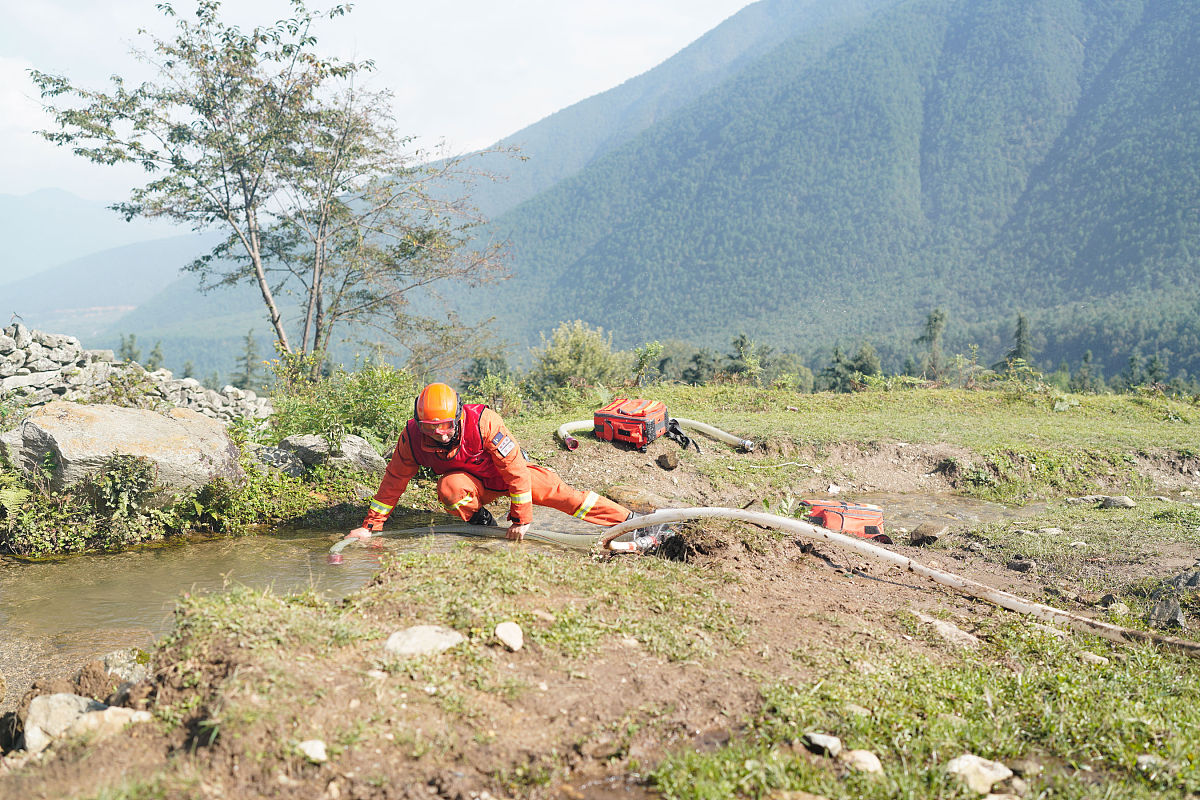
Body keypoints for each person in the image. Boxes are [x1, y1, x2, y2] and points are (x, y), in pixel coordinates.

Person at [344, 382, 635, 542]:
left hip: (508, 478)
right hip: (472, 486)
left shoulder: (484, 422)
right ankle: (484, 527)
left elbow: (516, 470)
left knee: (566, 497)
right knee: (449, 489)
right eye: (431, 427)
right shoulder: (411, 438)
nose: (440, 435)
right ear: (419, 423)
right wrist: (370, 526)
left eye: (446, 426)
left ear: (457, 417)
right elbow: (393, 483)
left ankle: (631, 521)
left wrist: (522, 516)